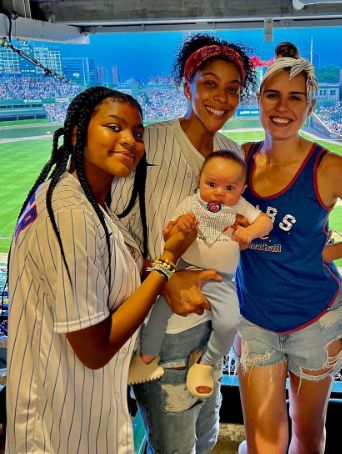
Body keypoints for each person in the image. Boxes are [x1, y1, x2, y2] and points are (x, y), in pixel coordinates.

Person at [6, 87, 197, 453]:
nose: (130, 140)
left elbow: (103, 275)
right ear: (78, 134)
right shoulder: (71, 212)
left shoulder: (85, 203)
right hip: (60, 428)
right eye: (114, 127)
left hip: (80, 413)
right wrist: (168, 261)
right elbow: (94, 348)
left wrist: (156, 273)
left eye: (138, 133)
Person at [235, 54, 342, 453]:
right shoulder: (238, 158)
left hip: (316, 319)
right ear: (258, 99)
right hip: (255, 319)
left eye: (295, 98)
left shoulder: (327, 167)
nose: (282, 107)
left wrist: (329, 252)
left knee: (308, 436)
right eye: (273, 95)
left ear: (310, 107)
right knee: (262, 440)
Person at [110, 34, 256, 454]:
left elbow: (235, 222)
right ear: (186, 85)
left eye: (233, 88)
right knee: (174, 445)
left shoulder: (230, 151)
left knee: (207, 432)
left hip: (214, 320)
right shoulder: (148, 143)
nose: (222, 98)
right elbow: (112, 229)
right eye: (209, 83)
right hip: (164, 326)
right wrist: (163, 274)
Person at [130, 151, 273, 398]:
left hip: (221, 279)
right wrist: (180, 225)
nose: (219, 192)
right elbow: (170, 234)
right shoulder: (190, 203)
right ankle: (146, 357)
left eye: (230, 187)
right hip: (184, 271)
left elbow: (265, 222)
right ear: (200, 180)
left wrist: (250, 233)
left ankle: (206, 363)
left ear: (242, 189)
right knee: (158, 313)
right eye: (212, 184)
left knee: (229, 323)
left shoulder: (239, 206)